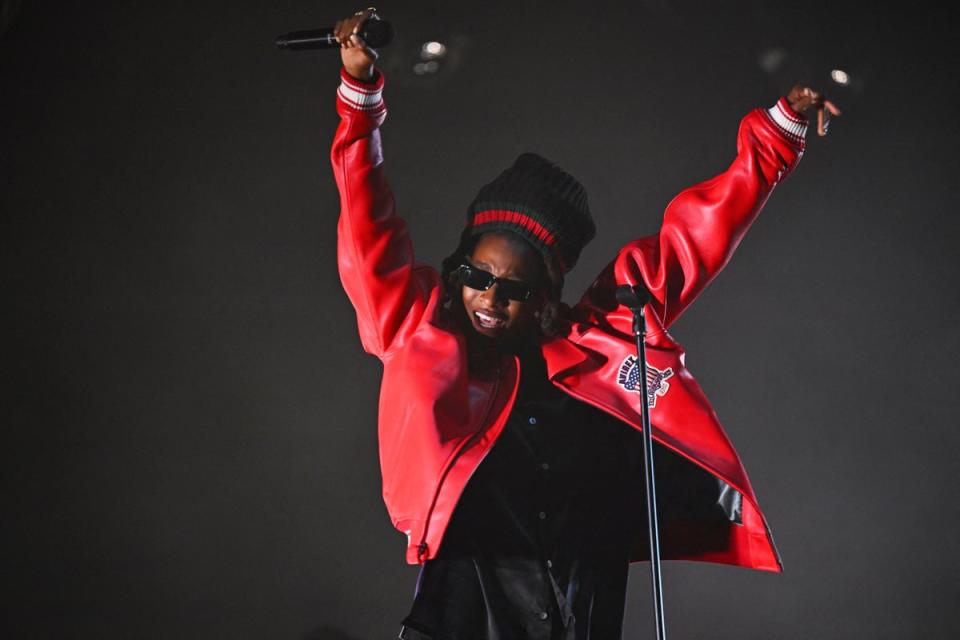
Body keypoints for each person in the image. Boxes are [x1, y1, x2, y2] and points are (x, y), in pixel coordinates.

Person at [328, 8, 840, 640]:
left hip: (580, 614)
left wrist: (778, 132)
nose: (488, 297)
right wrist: (360, 100)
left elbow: (690, 245)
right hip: (464, 620)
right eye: (475, 275)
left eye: (513, 288)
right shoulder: (420, 333)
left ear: (546, 299)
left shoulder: (599, 341)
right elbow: (365, 224)